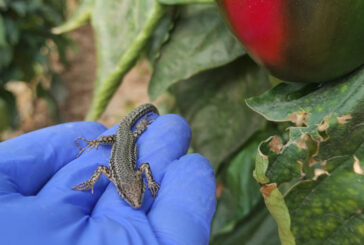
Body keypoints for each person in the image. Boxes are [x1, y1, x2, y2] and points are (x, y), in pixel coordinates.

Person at [0, 113, 216, 245]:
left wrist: (149, 182)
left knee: (132, 133)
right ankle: (111, 136)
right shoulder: (119, 177)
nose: (136, 202)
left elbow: (140, 167)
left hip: (126, 141)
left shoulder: (130, 176)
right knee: (124, 134)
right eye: (131, 197)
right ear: (120, 190)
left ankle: (141, 123)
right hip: (120, 140)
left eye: (137, 195)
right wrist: (94, 169)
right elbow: (106, 167)